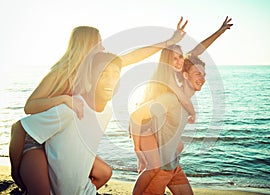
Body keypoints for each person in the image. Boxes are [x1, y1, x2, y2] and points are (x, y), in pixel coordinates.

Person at [9, 18, 188, 195]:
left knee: (103, 173)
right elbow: (30, 106)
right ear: (86, 46)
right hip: (38, 141)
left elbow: (134, 56)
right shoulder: (61, 72)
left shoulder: (98, 68)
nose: (103, 48)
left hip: (62, 141)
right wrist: (63, 99)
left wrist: (169, 42)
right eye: (99, 44)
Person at [130, 16, 233, 194]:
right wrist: (141, 154)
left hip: (173, 165)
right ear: (166, 61)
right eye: (174, 59)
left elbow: (197, 51)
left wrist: (219, 31)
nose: (179, 62)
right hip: (160, 166)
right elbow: (139, 119)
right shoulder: (164, 91)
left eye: (180, 58)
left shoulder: (179, 75)